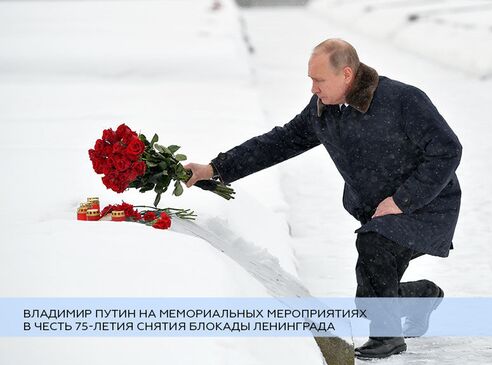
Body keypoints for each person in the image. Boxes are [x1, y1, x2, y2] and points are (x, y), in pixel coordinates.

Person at [184, 38, 462, 359]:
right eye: (310, 80)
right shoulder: (323, 111)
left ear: (346, 75)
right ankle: (422, 295)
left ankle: (387, 337)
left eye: (319, 80)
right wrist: (214, 168)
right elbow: (278, 142)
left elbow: (447, 150)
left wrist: (401, 201)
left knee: (374, 249)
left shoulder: (402, 100)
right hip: (379, 211)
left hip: (428, 203)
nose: (313, 88)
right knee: (372, 290)